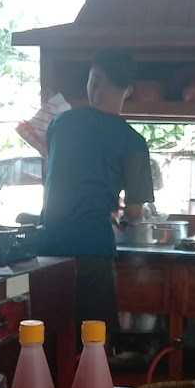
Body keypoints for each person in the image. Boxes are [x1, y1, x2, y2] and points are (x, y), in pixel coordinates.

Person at [38, 49, 154, 336]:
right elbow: (136, 212)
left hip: (47, 250)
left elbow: (59, 174)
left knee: (49, 341)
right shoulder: (133, 141)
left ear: (94, 81)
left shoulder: (60, 123)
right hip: (93, 252)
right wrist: (122, 217)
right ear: (128, 90)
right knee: (92, 344)